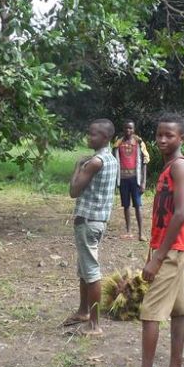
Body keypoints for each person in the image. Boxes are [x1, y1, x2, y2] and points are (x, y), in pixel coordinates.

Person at [122, 112, 184, 367]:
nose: (163, 139)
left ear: (182, 138)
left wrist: (157, 257)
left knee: (150, 313)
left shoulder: (180, 166)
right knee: (178, 310)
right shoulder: (168, 166)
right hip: (170, 247)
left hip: (173, 249)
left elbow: (179, 214)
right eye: (159, 134)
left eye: (170, 135)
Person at [62, 119, 118, 335]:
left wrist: (78, 167)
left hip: (88, 221)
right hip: (99, 220)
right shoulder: (112, 159)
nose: (89, 137)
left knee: (91, 272)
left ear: (105, 137)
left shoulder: (95, 162)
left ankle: (94, 324)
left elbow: (74, 191)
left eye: (93, 134)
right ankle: (83, 311)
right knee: (85, 269)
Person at [113, 120, 150, 240]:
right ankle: (128, 231)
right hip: (123, 179)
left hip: (135, 179)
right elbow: (114, 161)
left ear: (134, 129)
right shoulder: (118, 143)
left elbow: (145, 162)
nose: (128, 130)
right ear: (123, 129)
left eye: (130, 128)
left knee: (138, 205)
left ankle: (141, 233)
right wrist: (115, 181)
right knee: (126, 206)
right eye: (126, 128)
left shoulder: (139, 143)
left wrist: (143, 182)